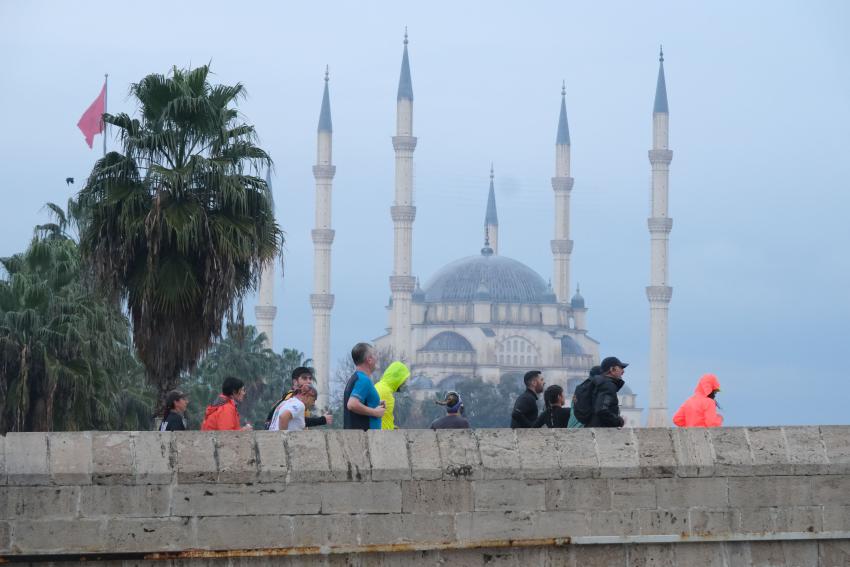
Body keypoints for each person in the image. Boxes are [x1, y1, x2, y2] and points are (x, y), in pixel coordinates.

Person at [265, 367, 333, 429]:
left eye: (310, 378)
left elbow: (297, 420)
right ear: (295, 382)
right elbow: (285, 417)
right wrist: (322, 420)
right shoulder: (292, 398)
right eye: (304, 378)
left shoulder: (290, 398)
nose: (309, 381)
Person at [343, 343, 385, 430]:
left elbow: (357, 403)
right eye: (375, 355)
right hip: (367, 439)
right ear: (369, 360)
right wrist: (375, 412)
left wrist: (375, 403)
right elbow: (352, 404)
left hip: (356, 437)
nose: (377, 358)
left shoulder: (355, 378)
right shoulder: (363, 380)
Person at [587, 357, 627, 428]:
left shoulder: (599, 383)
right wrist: (619, 421)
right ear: (612, 369)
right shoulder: (608, 385)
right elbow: (602, 410)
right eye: (620, 368)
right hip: (602, 430)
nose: (623, 371)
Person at [374, 361, 410, 430]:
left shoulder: (379, 386)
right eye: (403, 381)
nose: (404, 384)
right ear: (397, 378)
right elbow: (385, 420)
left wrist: (393, 427)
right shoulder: (386, 393)